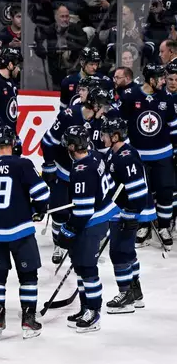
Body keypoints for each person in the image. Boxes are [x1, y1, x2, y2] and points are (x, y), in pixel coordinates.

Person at [0, 125, 49, 339]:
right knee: (28, 276)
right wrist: (37, 211)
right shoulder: (23, 164)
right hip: (20, 232)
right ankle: (28, 320)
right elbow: (42, 195)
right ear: (13, 142)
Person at [58, 125, 119, 333]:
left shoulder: (81, 170)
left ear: (74, 146)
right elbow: (109, 186)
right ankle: (85, 307)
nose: (66, 147)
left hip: (92, 222)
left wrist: (68, 231)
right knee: (81, 266)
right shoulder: (95, 156)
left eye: (68, 144)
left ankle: (93, 312)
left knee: (87, 267)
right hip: (100, 216)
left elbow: (83, 211)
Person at [41, 88, 110, 264]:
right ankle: (59, 244)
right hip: (64, 171)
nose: (105, 111)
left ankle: (83, 241)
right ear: (94, 106)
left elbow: (103, 150)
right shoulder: (68, 115)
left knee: (83, 210)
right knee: (59, 210)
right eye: (102, 107)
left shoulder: (101, 122)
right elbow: (48, 141)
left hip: (86, 175)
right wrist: (49, 165)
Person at [118, 64, 176, 247]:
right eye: (160, 78)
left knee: (165, 191)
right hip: (139, 156)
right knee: (142, 193)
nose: (163, 81)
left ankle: (164, 226)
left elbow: (174, 127)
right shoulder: (130, 96)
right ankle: (143, 225)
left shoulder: (167, 98)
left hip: (163, 155)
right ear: (150, 79)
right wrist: (127, 150)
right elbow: (121, 126)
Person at [101, 118, 152, 313]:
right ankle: (135, 291)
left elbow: (139, 191)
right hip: (119, 211)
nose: (103, 137)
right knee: (128, 252)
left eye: (106, 134)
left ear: (115, 136)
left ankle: (126, 296)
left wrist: (130, 214)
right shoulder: (114, 154)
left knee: (119, 253)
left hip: (126, 213)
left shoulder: (127, 156)